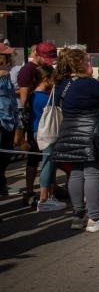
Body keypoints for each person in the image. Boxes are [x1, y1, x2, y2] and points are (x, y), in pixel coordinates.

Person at [50, 48, 99, 232]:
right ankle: (95, 218)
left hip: (70, 131)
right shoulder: (88, 83)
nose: (90, 64)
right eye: (87, 61)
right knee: (92, 173)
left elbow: (73, 98)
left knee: (75, 173)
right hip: (92, 132)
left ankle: (78, 215)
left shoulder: (62, 84)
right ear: (79, 63)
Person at [17, 42, 57, 205]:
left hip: (42, 121)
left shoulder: (45, 71)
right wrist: (23, 133)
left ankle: (49, 188)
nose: (50, 62)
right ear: (37, 54)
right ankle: (31, 191)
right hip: (37, 123)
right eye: (47, 58)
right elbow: (24, 99)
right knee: (35, 160)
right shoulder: (27, 70)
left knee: (48, 161)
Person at [29, 65, 67, 211]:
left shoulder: (34, 95)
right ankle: (44, 198)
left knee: (49, 163)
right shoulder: (45, 97)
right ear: (46, 79)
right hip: (47, 132)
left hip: (37, 131)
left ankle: (49, 196)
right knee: (48, 164)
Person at [0, 43, 18, 197]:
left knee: (6, 156)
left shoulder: (7, 75)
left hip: (10, 120)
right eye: (6, 55)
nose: (10, 58)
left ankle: (2, 185)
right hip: (1, 121)